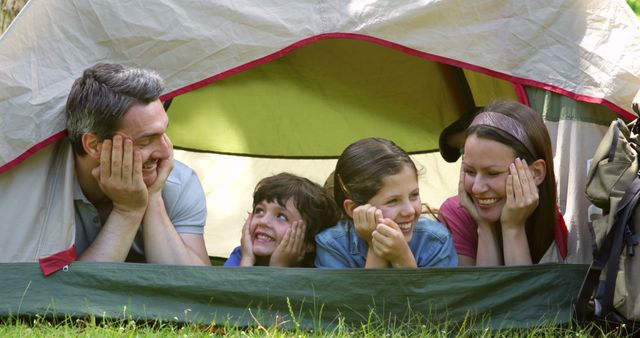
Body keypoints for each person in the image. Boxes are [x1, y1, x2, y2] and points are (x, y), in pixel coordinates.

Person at [65, 62, 210, 265]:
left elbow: (197, 290)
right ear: (94, 145)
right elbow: (67, 295)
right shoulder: (41, 189)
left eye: (164, 133)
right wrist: (127, 211)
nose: (166, 151)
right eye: (145, 140)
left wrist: (153, 197)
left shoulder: (179, 181)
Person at [438, 101, 568, 266]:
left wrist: (513, 229)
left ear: (536, 173)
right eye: (470, 171)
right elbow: (485, 291)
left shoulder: (565, 216)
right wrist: (484, 228)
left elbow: (522, 292)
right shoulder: (457, 212)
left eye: (492, 173)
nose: (477, 188)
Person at [314, 137, 458, 268]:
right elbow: (366, 298)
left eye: (414, 195)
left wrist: (402, 257)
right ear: (353, 209)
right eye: (393, 201)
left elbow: (431, 297)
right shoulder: (332, 245)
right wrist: (376, 247)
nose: (410, 211)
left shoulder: (436, 241)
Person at [224, 172, 340, 267]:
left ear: (309, 243)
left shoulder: (318, 270)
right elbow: (235, 294)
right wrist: (247, 260)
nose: (263, 221)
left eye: (281, 216)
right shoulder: (241, 255)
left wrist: (279, 267)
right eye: (259, 211)